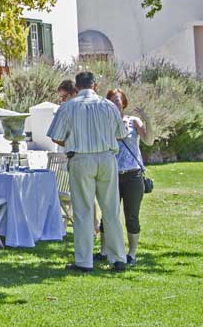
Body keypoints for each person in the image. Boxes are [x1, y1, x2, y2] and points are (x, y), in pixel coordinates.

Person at [47, 71, 127, 273]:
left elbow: (56, 136)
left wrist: (73, 141)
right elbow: (120, 134)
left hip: (81, 158)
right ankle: (118, 257)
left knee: (83, 211)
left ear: (77, 87)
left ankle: (84, 261)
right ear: (95, 85)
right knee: (111, 210)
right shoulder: (108, 106)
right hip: (107, 157)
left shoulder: (69, 107)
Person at [100, 88, 147, 266]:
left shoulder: (133, 122)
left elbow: (149, 139)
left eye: (118, 100)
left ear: (124, 103)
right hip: (111, 173)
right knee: (108, 213)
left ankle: (132, 254)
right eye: (111, 100)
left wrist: (148, 120)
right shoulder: (104, 123)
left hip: (133, 174)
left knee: (131, 215)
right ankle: (104, 250)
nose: (115, 103)